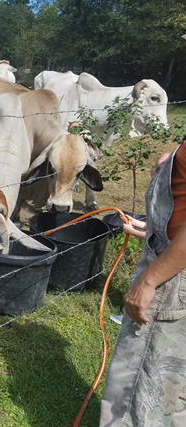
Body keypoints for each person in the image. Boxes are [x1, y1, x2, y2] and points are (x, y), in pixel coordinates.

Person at [100, 144, 186, 426]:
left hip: (172, 279)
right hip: (173, 258)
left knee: (141, 388)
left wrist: (150, 280)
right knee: (172, 388)